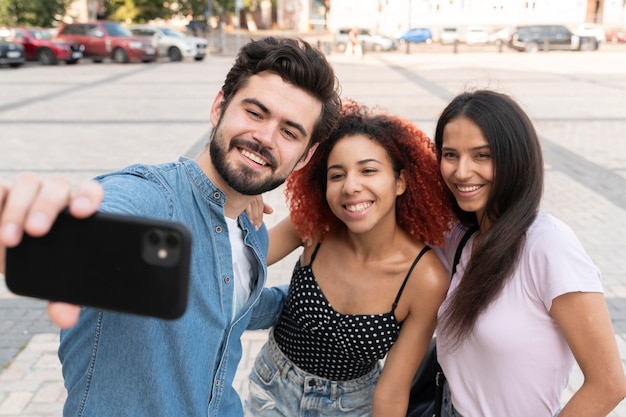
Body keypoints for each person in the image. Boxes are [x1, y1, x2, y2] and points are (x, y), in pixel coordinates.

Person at [0, 36, 341, 417]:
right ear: (218, 107)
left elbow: (224, 308)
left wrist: (323, 295)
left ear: (304, 156)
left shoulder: (253, 231)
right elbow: (91, 232)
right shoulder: (149, 201)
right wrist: (36, 233)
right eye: (255, 113)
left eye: (290, 132)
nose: (265, 138)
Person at [245, 99, 455, 416]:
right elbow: (234, 263)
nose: (351, 186)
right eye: (337, 175)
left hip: (352, 407)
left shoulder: (425, 279)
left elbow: (393, 392)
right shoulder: (314, 228)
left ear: (400, 182)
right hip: (272, 390)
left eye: (368, 170)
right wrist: (238, 200)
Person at [425, 89, 626, 417]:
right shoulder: (458, 240)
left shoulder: (548, 244)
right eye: (450, 155)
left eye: (482, 155)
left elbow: (609, 383)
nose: (461, 172)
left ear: (514, 158)